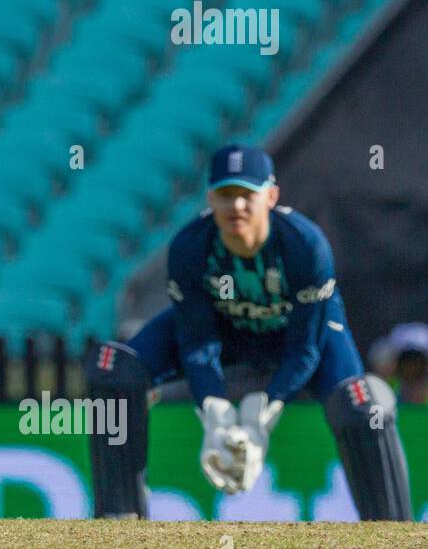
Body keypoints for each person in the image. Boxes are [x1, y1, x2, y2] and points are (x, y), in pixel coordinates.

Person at [86, 144, 413, 522]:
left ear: (271, 196)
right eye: (226, 195)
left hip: (296, 339)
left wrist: (265, 413)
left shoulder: (305, 246)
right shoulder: (191, 246)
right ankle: (118, 517)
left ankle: (393, 534)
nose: (236, 207)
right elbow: (197, 340)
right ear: (210, 198)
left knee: (363, 402)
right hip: (224, 334)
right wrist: (214, 411)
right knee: (112, 368)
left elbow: (306, 348)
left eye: (247, 195)